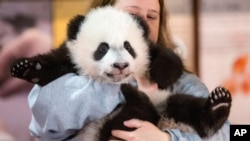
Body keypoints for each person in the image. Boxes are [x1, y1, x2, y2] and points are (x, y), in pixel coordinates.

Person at [27, 0, 230, 141]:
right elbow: (43, 124)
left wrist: (166, 139)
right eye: (132, 14)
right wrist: (119, 89)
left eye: (152, 16)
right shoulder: (76, 62)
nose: (143, 26)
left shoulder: (183, 81)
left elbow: (232, 134)